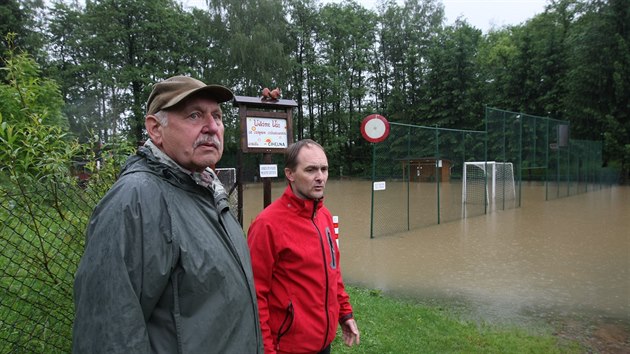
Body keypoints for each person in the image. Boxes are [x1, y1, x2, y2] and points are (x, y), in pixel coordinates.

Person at [72, 75, 263, 353]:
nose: (212, 127)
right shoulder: (135, 200)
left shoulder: (208, 190)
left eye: (218, 116)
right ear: (155, 129)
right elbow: (109, 335)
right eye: (194, 116)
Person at [247, 139, 360, 354]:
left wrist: (344, 314)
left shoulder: (324, 216)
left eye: (324, 169)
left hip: (323, 343)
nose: (320, 177)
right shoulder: (266, 225)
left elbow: (333, 271)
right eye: (310, 170)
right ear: (290, 174)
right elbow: (255, 296)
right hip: (288, 347)